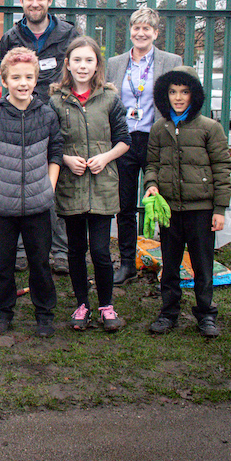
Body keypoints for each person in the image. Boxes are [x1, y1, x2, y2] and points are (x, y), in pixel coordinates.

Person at [0, 48, 63, 336]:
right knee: (4, 263)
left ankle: (44, 314)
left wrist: (48, 187)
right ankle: (3, 313)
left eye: (28, 77)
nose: (22, 83)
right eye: (16, 77)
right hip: (3, 207)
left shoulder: (48, 116)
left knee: (40, 262)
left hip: (39, 206)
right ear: (4, 81)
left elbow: (56, 153)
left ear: (36, 79)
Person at [0, 0, 80, 274]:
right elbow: (6, 78)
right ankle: (19, 250)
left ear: (50, 1)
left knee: (55, 184)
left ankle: (59, 250)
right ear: (22, 2)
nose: (35, 3)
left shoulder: (69, 34)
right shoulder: (10, 38)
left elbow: (76, 74)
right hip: (21, 118)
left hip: (57, 117)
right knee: (20, 180)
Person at [48, 36, 131, 332]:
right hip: (70, 186)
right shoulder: (56, 101)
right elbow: (50, 142)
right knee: (75, 250)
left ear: (97, 65)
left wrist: (106, 157)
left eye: (89, 60)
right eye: (77, 60)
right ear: (68, 64)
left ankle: (106, 305)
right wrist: (66, 159)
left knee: (100, 250)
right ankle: (82, 304)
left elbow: (124, 139)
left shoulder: (109, 98)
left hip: (102, 186)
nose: (83, 66)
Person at [144, 66, 231, 338]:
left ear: (194, 95)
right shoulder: (159, 128)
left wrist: (219, 209)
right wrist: (152, 184)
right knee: (170, 266)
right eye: (172, 92)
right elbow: (152, 164)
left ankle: (206, 315)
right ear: (164, 95)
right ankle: (168, 313)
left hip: (201, 212)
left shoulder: (210, 128)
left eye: (184, 91)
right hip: (170, 212)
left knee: (203, 266)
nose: (178, 97)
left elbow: (222, 168)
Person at [106, 7, 183, 286]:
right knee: (124, 205)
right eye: (136, 28)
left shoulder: (171, 61)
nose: (141, 33)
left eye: (147, 29)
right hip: (124, 142)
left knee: (160, 204)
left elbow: (180, 99)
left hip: (156, 141)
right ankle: (127, 264)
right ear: (130, 31)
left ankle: (168, 263)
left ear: (156, 33)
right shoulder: (114, 64)